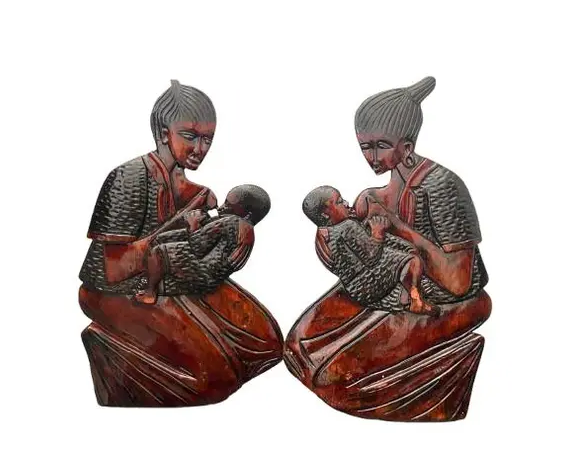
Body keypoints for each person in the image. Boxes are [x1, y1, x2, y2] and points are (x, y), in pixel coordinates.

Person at [285, 77, 492, 421]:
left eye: (382, 146)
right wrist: (329, 238)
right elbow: (360, 254)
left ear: (407, 146)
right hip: (386, 283)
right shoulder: (379, 192)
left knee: (333, 374)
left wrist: (398, 228)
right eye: (365, 146)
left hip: (445, 298)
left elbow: (458, 282)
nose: (372, 157)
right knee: (299, 346)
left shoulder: (443, 187)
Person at [79, 81, 282, 407]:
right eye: (190, 136)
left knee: (266, 344)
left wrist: (243, 226)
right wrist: (179, 228)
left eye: (208, 139)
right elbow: (114, 270)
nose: (200, 148)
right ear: (164, 133)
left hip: (179, 279)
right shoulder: (127, 179)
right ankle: (112, 357)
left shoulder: (198, 194)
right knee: (216, 375)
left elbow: (207, 243)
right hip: (118, 293)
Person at [302, 185, 439, 315]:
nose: (346, 203)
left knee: (394, 252)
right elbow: (372, 256)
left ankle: (403, 296)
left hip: (356, 291)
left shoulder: (322, 239)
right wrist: (377, 232)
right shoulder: (347, 226)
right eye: (339, 202)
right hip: (372, 280)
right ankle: (416, 299)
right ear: (326, 215)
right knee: (412, 260)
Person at [134, 185, 271, 304]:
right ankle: (151, 274)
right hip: (212, 271)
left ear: (247, 214)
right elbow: (210, 233)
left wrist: (193, 223)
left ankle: (149, 292)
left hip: (203, 271)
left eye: (228, 206)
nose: (221, 208)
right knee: (164, 237)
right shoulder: (243, 228)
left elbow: (198, 247)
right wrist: (203, 221)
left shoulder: (232, 222)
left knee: (159, 252)